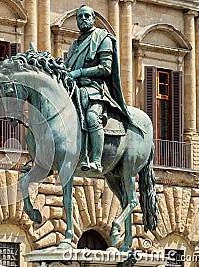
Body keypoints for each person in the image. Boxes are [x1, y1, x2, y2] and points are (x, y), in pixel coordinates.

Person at [64, 5, 134, 173]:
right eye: (79, 17)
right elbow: (67, 67)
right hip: (74, 89)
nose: (83, 19)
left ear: (93, 18)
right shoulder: (75, 44)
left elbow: (105, 68)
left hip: (95, 90)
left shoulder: (103, 39)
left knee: (92, 117)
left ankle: (96, 160)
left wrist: (79, 72)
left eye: (86, 15)